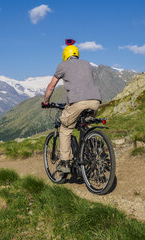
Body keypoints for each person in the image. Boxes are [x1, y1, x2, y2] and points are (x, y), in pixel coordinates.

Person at [42, 41, 101, 173]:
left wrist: (46, 101)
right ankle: (92, 149)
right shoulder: (87, 63)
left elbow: (51, 86)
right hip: (95, 101)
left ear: (65, 55)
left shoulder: (62, 65)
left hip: (77, 102)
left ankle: (65, 162)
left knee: (65, 128)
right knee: (86, 124)